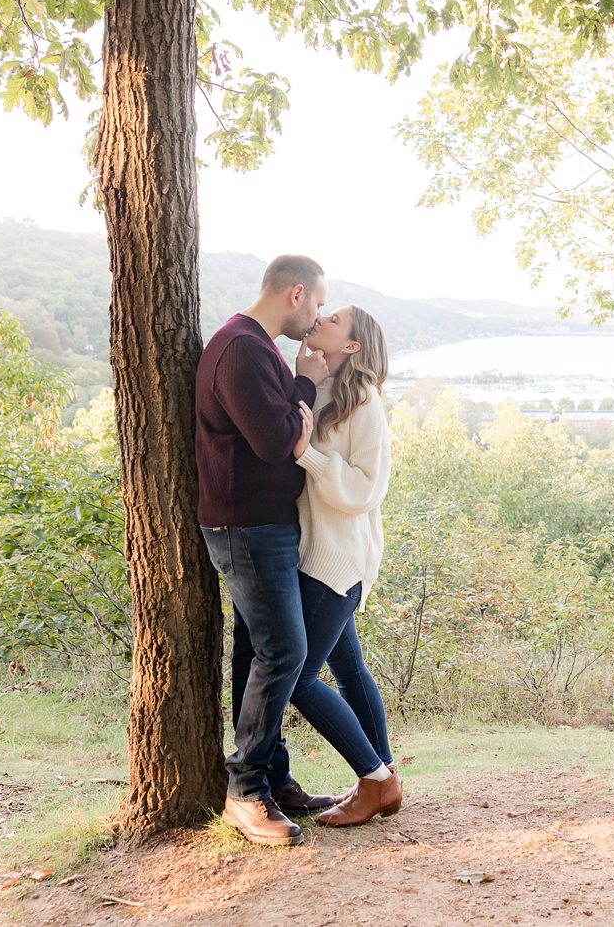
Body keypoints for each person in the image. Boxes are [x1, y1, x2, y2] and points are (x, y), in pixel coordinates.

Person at [195, 254, 335, 847]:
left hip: (263, 524)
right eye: (320, 304)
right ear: (296, 293)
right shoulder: (242, 348)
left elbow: (285, 428)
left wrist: (296, 398)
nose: (320, 316)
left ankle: (271, 780)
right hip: (246, 527)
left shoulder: (256, 346)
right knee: (285, 652)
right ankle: (245, 793)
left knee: (259, 655)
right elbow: (279, 439)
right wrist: (304, 387)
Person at [286, 305, 403, 825]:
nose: (319, 318)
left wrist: (306, 453)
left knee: (297, 679)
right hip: (318, 551)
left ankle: (375, 779)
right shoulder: (326, 388)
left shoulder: (365, 401)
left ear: (352, 345)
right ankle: (386, 778)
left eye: (332, 319)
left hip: (339, 559)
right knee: (348, 668)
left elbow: (363, 488)